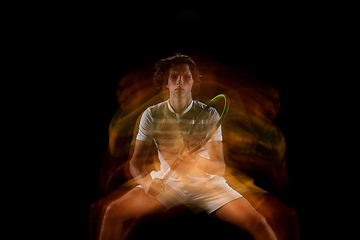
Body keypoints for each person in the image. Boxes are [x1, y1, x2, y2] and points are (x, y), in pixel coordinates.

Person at [98, 53, 278, 240]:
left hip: (207, 184)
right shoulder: (151, 115)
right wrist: (147, 183)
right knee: (112, 211)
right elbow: (135, 163)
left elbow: (219, 166)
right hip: (167, 183)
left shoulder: (209, 115)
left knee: (259, 222)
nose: (180, 82)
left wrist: (196, 161)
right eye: (174, 77)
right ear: (166, 83)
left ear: (193, 82)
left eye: (187, 77)